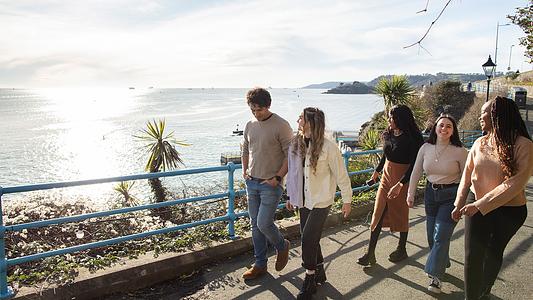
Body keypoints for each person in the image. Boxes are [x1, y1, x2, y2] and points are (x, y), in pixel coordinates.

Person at [452, 96, 533, 299]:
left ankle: (484, 291)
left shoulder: (524, 145)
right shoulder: (479, 143)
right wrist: (459, 203)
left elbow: (515, 183)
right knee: (473, 256)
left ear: (497, 116)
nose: (480, 117)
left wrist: (480, 205)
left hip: (510, 211)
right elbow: (467, 176)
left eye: (484, 113)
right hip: (475, 204)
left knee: (493, 253)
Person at [285, 107, 353, 299]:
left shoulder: (329, 147)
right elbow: (292, 173)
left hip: (321, 200)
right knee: (310, 237)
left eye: (302, 118)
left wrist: (347, 200)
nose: (298, 120)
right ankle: (320, 269)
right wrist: (290, 196)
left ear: (311, 123)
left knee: (307, 239)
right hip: (303, 200)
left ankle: (310, 279)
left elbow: (342, 175)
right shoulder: (296, 143)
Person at [407, 114, 468, 293]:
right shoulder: (425, 147)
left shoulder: (460, 151)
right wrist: (410, 194)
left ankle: (435, 278)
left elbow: (467, 177)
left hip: (451, 195)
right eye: (441, 125)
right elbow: (416, 171)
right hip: (430, 194)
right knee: (431, 236)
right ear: (435, 128)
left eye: (449, 126)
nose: (444, 129)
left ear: (453, 130)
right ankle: (442, 261)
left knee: (440, 235)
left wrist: (462, 201)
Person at [357, 104, 423, 266]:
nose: (389, 120)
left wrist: (400, 184)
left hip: (403, 178)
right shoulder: (390, 134)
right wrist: (376, 173)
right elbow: (385, 156)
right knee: (378, 213)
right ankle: (370, 253)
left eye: (392, 117)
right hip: (387, 176)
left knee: (400, 213)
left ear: (400, 119)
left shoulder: (413, 139)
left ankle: (402, 248)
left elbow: (415, 165)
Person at [241, 87, 294, 280]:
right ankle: (260, 264)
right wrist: (244, 170)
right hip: (252, 182)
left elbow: (290, 155)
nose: (256, 113)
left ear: (268, 105)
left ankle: (282, 245)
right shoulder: (249, 124)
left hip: (271, 184)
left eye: (259, 110)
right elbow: (246, 149)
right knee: (255, 225)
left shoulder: (281, 125)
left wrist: (278, 177)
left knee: (263, 223)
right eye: (253, 109)